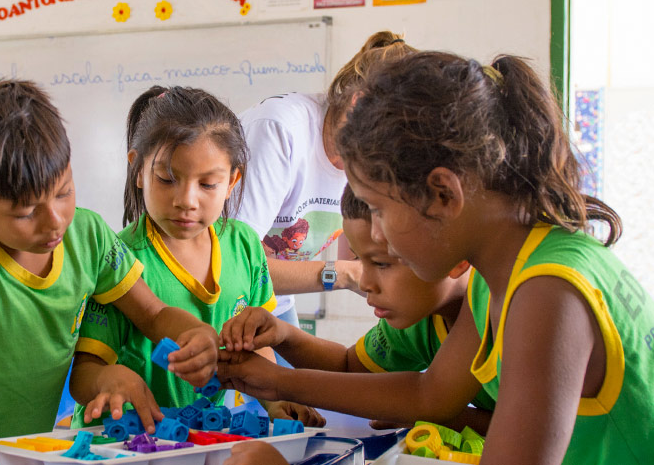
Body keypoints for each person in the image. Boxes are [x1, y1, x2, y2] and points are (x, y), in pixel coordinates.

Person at [218, 52, 654, 464]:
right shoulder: (502, 274)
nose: (375, 235)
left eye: (379, 210)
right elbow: (431, 395)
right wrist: (274, 379)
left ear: (443, 194)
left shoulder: (546, 292)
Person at [0, 80, 219, 465]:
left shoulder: (88, 235)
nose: (55, 222)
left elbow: (153, 314)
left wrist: (194, 333)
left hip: (28, 455)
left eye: (64, 192)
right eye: (25, 212)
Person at [70, 85, 323, 430]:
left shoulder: (245, 246)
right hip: (123, 440)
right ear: (138, 170)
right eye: (167, 179)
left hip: (201, 437)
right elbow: (84, 374)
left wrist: (275, 396)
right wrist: (108, 380)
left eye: (207, 185)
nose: (187, 200)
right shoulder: (118, 259)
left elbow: (257, 343)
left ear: (232, 180)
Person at [221, 184, 493, 433]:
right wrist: (284, 336)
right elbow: (351, 368)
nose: (364, 282)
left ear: (455, 257)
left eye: (382, 264)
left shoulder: (497, 300)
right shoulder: (420, 319)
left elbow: (520, 431)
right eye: (359, 260)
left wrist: (280, 381)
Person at [233, 31, 417, 363]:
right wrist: (343, 274)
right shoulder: (280, 129)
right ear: (360, 104)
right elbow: (235, 269)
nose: (394, 153)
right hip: (217, 298)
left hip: (272, 300)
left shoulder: (365, 156)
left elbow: (361, 255)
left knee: (297, 402)